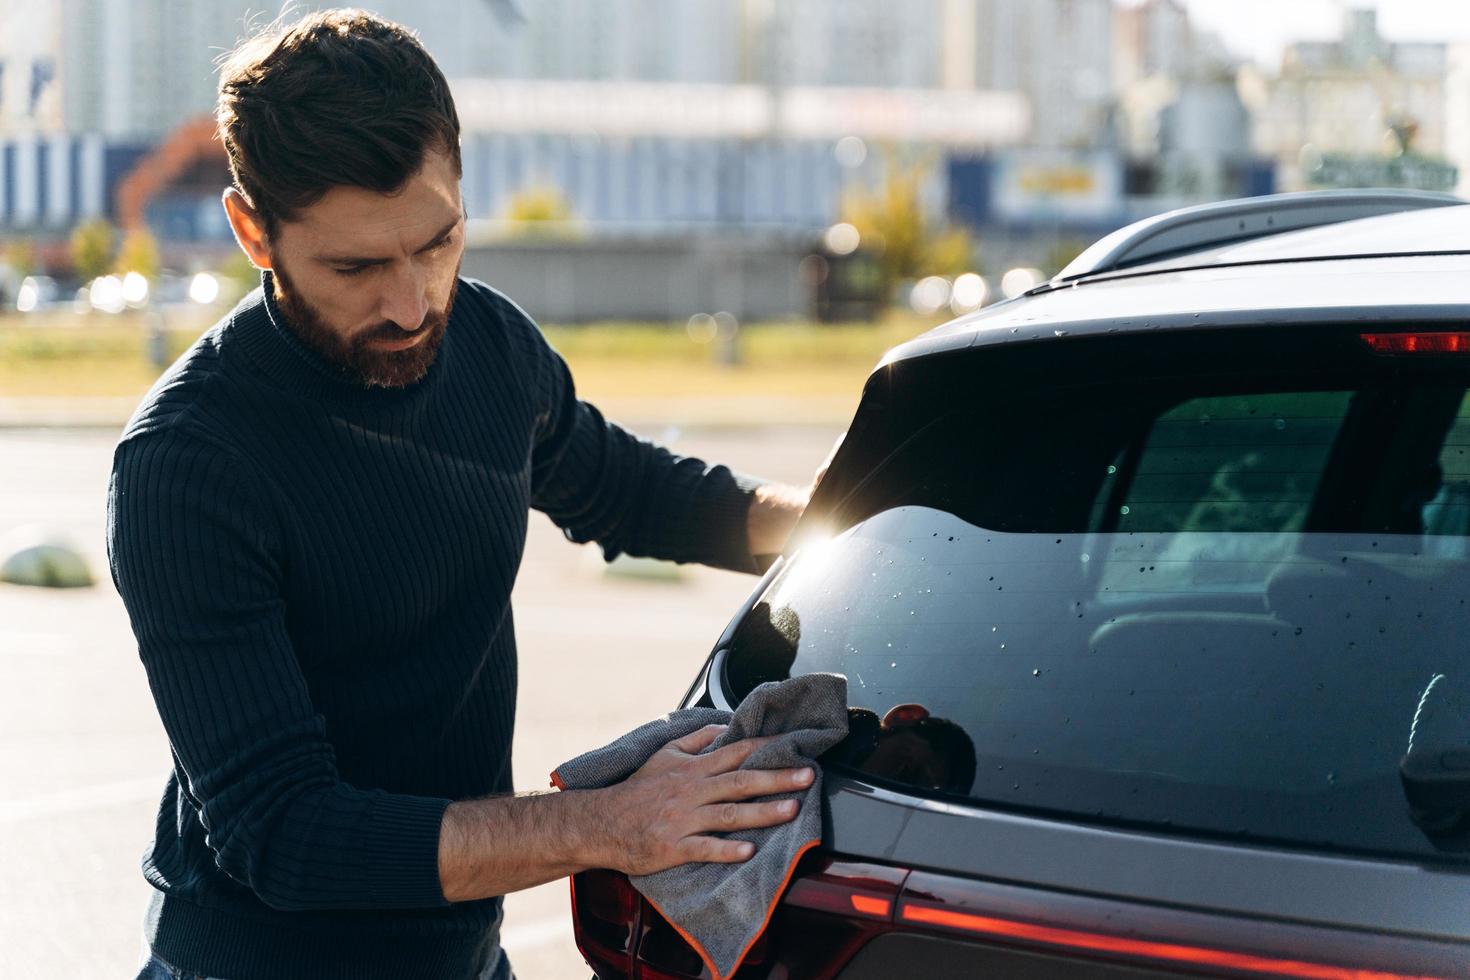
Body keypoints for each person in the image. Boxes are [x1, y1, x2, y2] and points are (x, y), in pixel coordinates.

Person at [108, 11, 821, 980]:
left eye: (437, 242)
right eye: (356, 266)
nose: (411, 305)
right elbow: (285, 832)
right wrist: (610, 823)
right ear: (252, 232)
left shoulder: (488, 342)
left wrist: (859, 514)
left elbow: (634, 491)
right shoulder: (187, 464)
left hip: (463, 956)